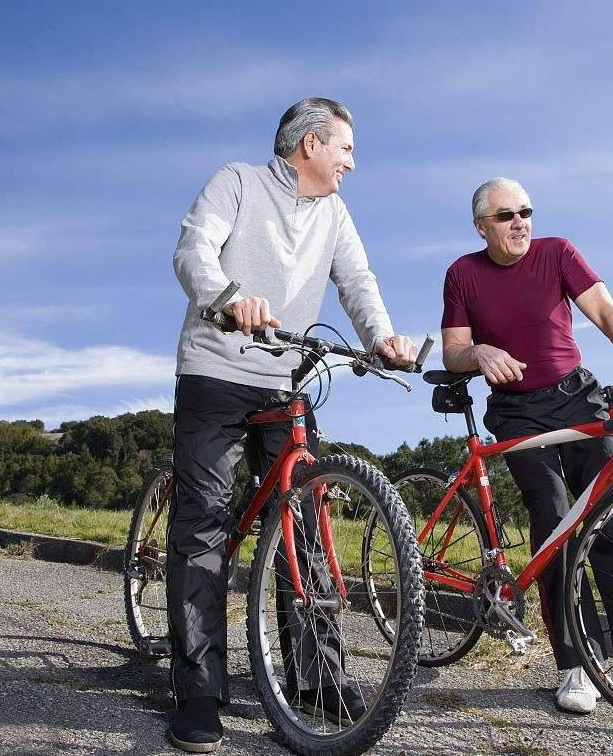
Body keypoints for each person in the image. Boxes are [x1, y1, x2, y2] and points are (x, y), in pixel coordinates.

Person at [169, 97, 417, 752]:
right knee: (204, 524)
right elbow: (194, 249)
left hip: (286, 381)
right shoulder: (238, 182)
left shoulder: (334, 214)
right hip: (216, 371)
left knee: (305, 525)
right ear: (311, 144)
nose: (352, 164)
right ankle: (197, 687)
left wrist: (382, 338)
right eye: (346, 149)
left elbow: (357, 281)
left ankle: (315, 680)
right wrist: (226, 297)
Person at [439, 177, 613, 714]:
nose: (519, 221)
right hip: (516, 411)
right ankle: (575, 663)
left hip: (577, 397)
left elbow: (609, 316)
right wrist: (479, 354)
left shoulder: (558, 253)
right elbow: (454, 350)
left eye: (525, 211)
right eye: (505, 215)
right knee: (555, 522)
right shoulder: (462, 274)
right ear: (482, 226)